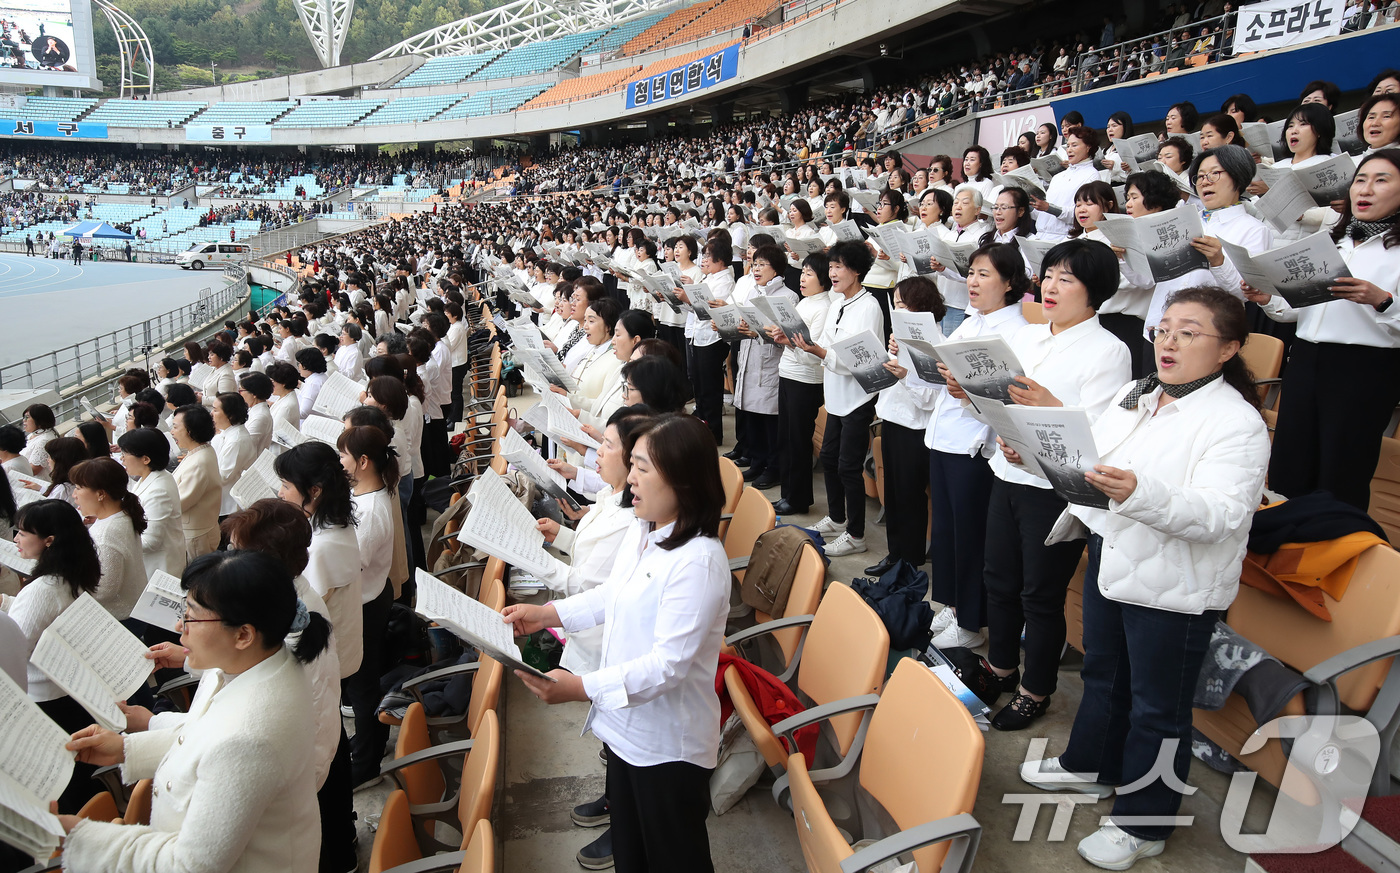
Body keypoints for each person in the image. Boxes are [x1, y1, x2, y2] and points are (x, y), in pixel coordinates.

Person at [1021, 287, 1269, 870]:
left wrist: (1139, 492)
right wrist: (1036, 457)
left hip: (1178, 582)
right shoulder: (1140, 396)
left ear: (1229, 348)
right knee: (1104, 673)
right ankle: (1093, 765)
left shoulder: (1236, 423)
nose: (1169, 342)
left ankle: (1146, 821)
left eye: (1189, 332)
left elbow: (1221, 515)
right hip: (1117, 554)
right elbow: (1096, 462)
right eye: (1164, 329)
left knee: (1160, 706)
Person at [503, 414, 729, 873]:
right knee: (632, 855)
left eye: (644, 468)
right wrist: (548, 614)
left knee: (673, 858)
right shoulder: (646, 531)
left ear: (683, 482)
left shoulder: (698, 563)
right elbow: (614, 593)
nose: (631, 478)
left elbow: (667, 667)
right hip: (627, 732)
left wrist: (579, 687)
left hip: (668, 747)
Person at [947, 239, 1131, 730]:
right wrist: (965, 393)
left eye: (1066, 279)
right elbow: (998, 405)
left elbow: (1100, 436)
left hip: (1055, 488)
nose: (1050, 286)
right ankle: (1001, 667)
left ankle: (1036, 689)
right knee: (998, 580)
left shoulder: (1109, 351)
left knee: (1040, 595)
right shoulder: (1027, 339)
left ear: (1096, 292)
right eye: (1048, 274)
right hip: (1007, 471)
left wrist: (1050, 404)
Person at [59, 550, 331, 873]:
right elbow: (205, 734)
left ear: (243, 634)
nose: (179, 625)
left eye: (191, 615)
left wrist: (78, 835)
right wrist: (125, 748)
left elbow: (189, 865)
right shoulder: (257, 661)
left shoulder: (249, 739)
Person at [1246, 149, 1400, 510]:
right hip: (1306, 361)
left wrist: (1382, 300)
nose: (1366, 189)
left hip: (1363, 371)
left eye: (1381, 180)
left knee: (1340, 473)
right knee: (1289, 464)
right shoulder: (1334, 241)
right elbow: (1298, 312)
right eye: (1360, 180)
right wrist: (1267, 298)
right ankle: (1284, 552)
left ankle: (1332, 556)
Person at [535, 406, 648, 869]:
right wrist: (560, 534)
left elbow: (590, 586)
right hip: (600, 640)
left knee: (624, 750)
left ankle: (623, 824)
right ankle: (616, 807)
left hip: (612, 653)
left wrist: (540, 571)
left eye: (607, 445)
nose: (595, 450)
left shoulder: (640, 522)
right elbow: (597, 577)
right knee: (614, 748)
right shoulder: (617, 499)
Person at [217, 500, 352, 873]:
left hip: (303, 766)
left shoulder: (289, 627)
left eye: (236, 551)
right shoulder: (290, 601)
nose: (228, 557)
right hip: (319, 748)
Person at [927, 244, 1031, 649]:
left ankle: (971, 624)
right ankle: (953, 604)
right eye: (970, 273)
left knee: (970, 537)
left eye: (984, 274)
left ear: (1009, 283)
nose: (972, 281)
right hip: (944, 437)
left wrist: (965, 392)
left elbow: (1006, 400)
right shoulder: (970, 324)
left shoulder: (1015, 333)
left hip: (975, 445)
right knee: (949, 532)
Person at [3, 499, 102, 812]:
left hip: (45, 697)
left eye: (22, 532)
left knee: (63, 785)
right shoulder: (68, 575)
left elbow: (17, 643)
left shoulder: (41, 590)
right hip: (67, 690)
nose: (15, 538)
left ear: (49, 541)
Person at [792, 241, 882, 557]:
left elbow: (858, 359)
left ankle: (856, 534)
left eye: (839, 266)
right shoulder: (838, 302)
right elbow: (828, 343)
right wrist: (798, 341)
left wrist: (818, 351)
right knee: (829, 458)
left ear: (857, 270)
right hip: (836, 395)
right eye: (830, 266)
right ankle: (837, 517)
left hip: (857, 398)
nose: (832, 272)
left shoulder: (868, 306)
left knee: (848, 466)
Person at [866, 276, 947, 575]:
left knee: (911, 498)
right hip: (893, 420)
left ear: (921, 306)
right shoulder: (901, 337)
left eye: (902, 304)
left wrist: (903, 375)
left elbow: (929, 398)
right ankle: (894, 555)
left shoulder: (935, 343)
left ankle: (909, 564)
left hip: (916, 429)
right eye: (895, 304)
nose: (897, 310)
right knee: (894, 495)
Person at [336, 425, 396, 789]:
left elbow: (349, 566)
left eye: (344, 455)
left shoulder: (370, 510)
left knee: (363, 688)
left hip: (366, 605)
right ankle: (367, 744)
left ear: (362, 462)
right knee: (361, 685)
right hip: (369, 597)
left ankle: (369, 763)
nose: (339, 461)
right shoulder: (364, 492)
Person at [275, 442, 363, 689]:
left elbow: (302, 612)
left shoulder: (322, 547)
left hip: (323, 656)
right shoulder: (333, 521)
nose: (281, 494)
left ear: (314, 490)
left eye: (286, 486)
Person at [769, 252, 834, 515]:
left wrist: (790, 344)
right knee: (785, 437)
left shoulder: (824, 307)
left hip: (806, 381)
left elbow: (815, 354)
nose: (803, 278)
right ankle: (788, 493)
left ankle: (798, 498)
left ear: (823, 280)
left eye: (809, 274)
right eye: (803, 272)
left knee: (798, 440)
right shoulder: (805, 303)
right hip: (787, 373)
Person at [71, 457, 148, 622]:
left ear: (100, 494)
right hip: (133, 607)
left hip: (119, 618)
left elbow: (104, 590)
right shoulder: (121, 513)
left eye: (78, 488)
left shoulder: (106, 535)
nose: (74, 495)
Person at [117, 428, 186, 579]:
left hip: (159, 568)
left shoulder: (159, 490)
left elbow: (150, 541)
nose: (122, 459)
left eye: (125, 454)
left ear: (146, 459)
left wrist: (115, 538)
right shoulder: (150, 477)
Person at [171, 404, 222, 561]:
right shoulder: (201, 450)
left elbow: (180, 502)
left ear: (190, 431)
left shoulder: (199, 462)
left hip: (196, 535)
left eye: (175, 427)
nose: (172, 432)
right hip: (200, 529)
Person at [211, 393, 256, 519]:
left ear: (230, 415)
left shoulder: (237, 440)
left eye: (215, 410)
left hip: (229, 504)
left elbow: (223, 476)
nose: (211, 413)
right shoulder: (228, 433)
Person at [20, 402, 58, 477]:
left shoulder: (44, 440)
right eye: (24, 417)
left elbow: (34, 470)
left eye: (27, 417)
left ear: (40, 420)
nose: (24, 420)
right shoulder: (33, 434)